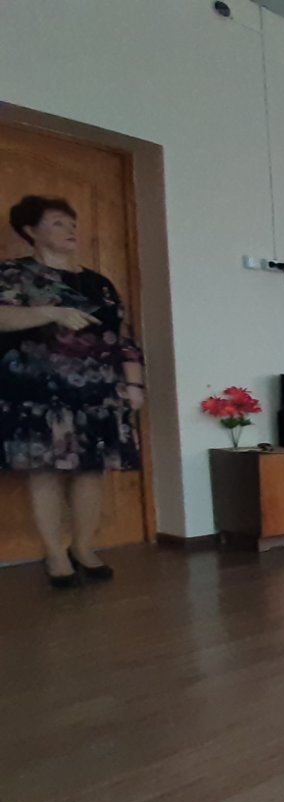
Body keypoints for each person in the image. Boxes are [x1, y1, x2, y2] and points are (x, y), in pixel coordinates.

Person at [1, 196, 145, 587]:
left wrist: (134, 383)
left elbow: (123, 337)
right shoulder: (13, 274)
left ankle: (82, 548)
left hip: (97, 393)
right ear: (30, 231)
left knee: (90, 472)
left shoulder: (99, 283)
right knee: (45, 471)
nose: (71, 230)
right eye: (58, 223)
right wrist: (50, 312)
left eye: (73, 223)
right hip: (37, 394)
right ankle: (54, 555)